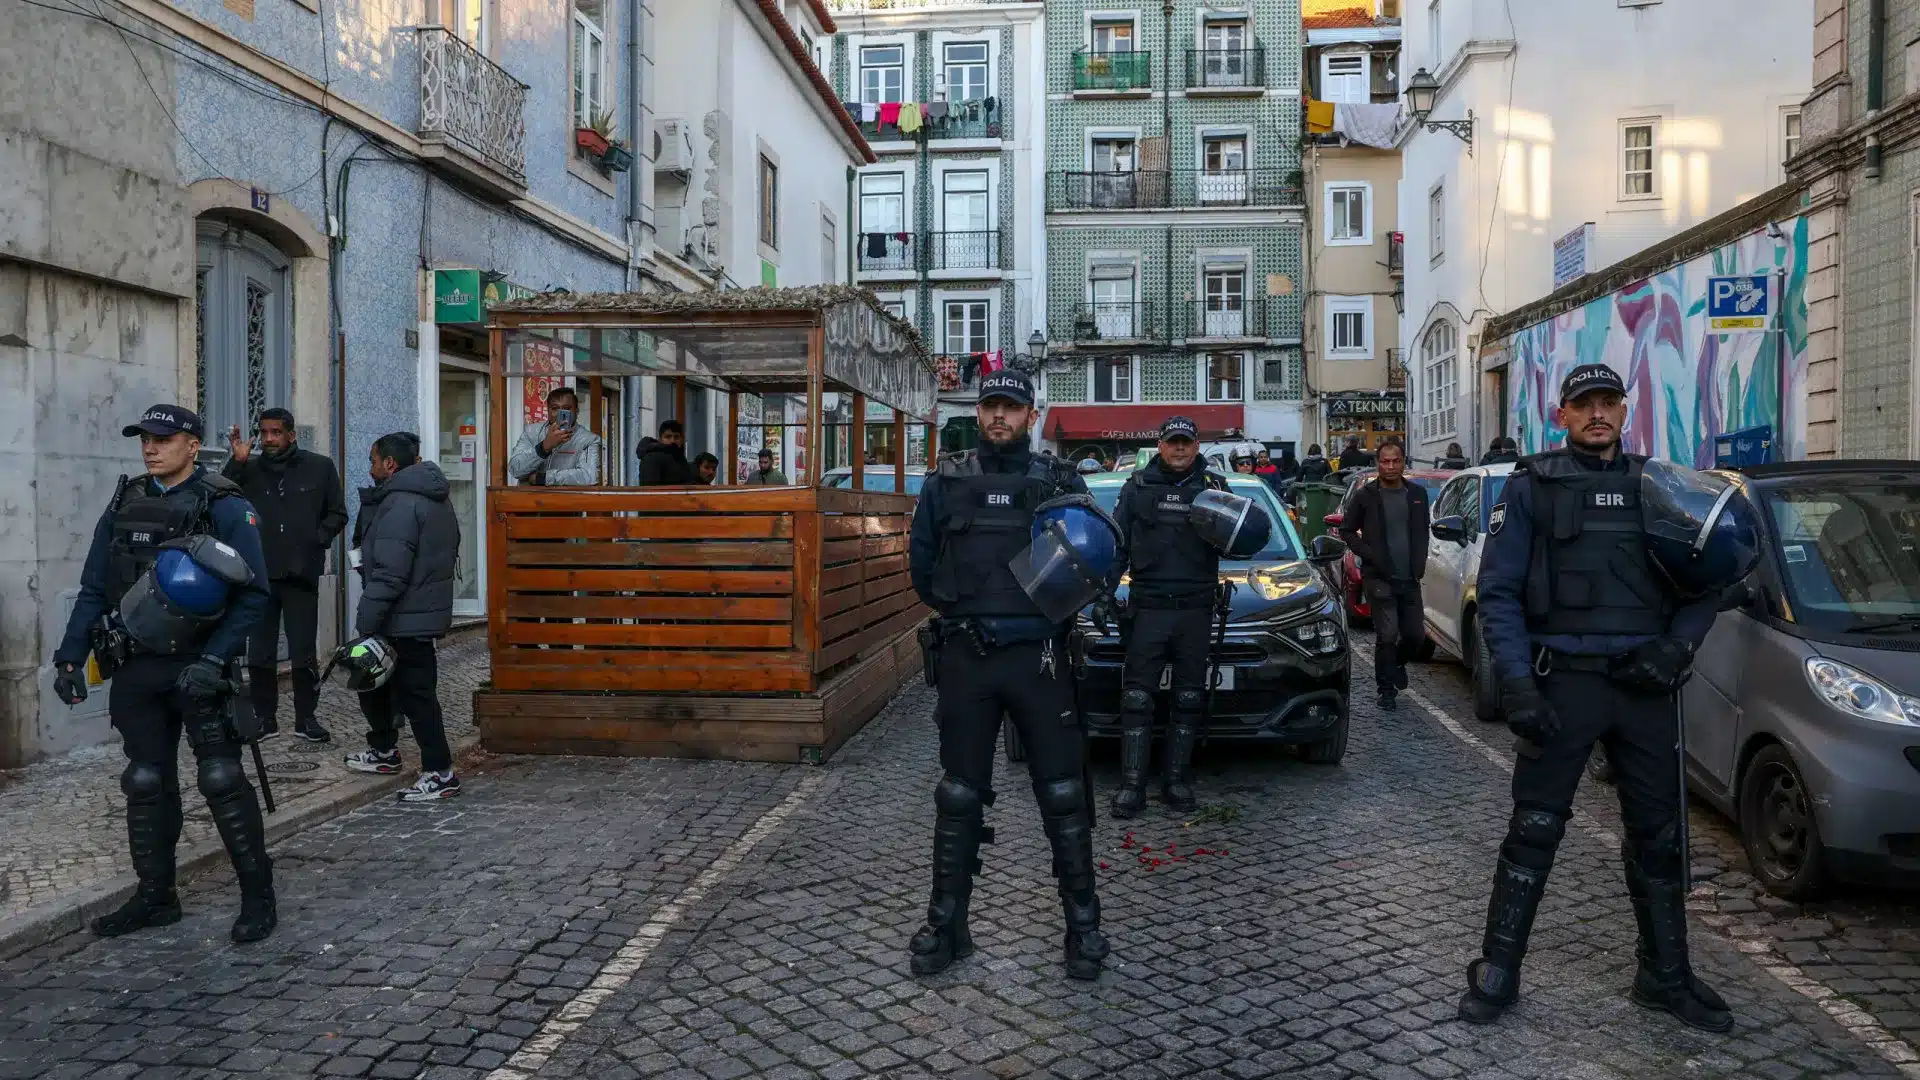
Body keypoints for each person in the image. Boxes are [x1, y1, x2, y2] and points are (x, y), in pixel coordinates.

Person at [1458, 363, 1755, 1033]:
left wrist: (1677, 648)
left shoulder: (1659, 487)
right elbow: (1498, 593)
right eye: (1584, 403)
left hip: (1643, 687)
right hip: (1563, 684)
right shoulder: (1531, 486)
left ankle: (1665, 976)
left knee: (1659, 835)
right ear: (1561, 415)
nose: (1597, 413)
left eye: (1608, 402)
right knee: (1534, 830)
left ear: (1625, 410)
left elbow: (1709, 577)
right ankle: (1498, 970)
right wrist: (1518, 685)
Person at [905, 369, 1108, 981]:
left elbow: (1095, 558)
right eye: (991, 405)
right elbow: (922, 567)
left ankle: (1083, 927)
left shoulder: (1060, 482)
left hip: (1039, 658)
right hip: (967, 656)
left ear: (1030, 415)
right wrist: (963, 613)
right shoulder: (945, 481)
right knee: (958, 795)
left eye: (1012, 407)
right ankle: (947, 924)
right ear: (979, 411)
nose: (1000, 416)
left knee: (1064, 794)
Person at [52, 404, 277, 942]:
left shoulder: (224, 504)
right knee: (145, 781)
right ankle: (156, 898)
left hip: (198, 667)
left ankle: (258, 897)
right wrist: (69, 656)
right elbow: (94, 587)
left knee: (221, 779)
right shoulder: (125, 503)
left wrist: (214, 660)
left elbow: (254, 595)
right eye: (144, 440)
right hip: (136, 667)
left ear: (193, 446)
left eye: (163, 439)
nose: (150, 448)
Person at [1105, 417, 1233, 817]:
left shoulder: (1215, 488)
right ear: (1160, 445)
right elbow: (1117, 546)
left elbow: (1239, 541)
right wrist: (1103, 593)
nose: (1179, 449)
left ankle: (1176, 781)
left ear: (1196, 447)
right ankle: (1132, 786)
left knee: (1189, 698)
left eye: (1186, 443)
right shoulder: (1137, 486)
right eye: (1173, 442)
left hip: (1195, 608)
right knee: (1137, 699)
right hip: (1149, 608)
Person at [343, 434, 462, 802]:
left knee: (417, 697)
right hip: (416, 612)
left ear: (390, 464)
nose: (370, 468)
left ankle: (440, 773)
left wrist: (366, 620)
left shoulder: (401, 502)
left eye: (373, 460)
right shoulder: (433, 497)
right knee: (380, 686)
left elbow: (390, 573)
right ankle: (384, 751)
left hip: (404, 617)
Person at [222, 407, 347, 743]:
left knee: (303, 652)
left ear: (291, 435)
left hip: (300, 573)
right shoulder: (248, 468)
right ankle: (265, 718)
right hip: (259, 575)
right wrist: (237, 462)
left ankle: (306, 718)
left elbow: (337, 514)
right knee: (260, 654)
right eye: (264, 432)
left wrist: (314, 542)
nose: (269, 439)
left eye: (276, 432)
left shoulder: (319, 467)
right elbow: (220, 499)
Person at [1337, 438, 1429, 708]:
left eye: (1395, 461)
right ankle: (1386, 690)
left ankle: (1397, 663)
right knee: (1387, 634)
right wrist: (1369, 555)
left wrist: (1420, 562)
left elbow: (1423, 531)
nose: (1390, 467)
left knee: (1415, 636)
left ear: (1403, 463)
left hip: (1410, 577)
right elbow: (1346, 530)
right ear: (1377, 464)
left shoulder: (1417, 495)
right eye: (1385, 462)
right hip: (1378, 577)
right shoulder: (1366, 495)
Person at [507, 386, 604, 486]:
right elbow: (515, 470)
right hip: (528, 496)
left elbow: (590, 476)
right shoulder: (531, 432)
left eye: (566, 409)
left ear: (577, 411)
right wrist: (544, 447)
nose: (560, 414)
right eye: (555, 409)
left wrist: (544, 478)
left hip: (564, 496)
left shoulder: (589, 439)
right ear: (548, 411)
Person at [636, 420, 693, 485]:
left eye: (676, 437)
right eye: (668, 437)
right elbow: (649, 488)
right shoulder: (652, 457)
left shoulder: (680, 457)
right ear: (660, 439)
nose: (672, 441)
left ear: (681, 439)